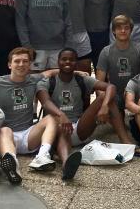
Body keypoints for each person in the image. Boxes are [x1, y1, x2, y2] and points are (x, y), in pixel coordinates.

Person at [37, 48, 132, 180]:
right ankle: (66, 164)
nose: (67, 62)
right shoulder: (48, 82)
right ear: (58, 62)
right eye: (64, 59)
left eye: (71, 59)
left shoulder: (82, 80)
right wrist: (61, 115)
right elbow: (45, 102)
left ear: (76, 63)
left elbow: (111, 87)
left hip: (78, 128)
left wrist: (104, 107)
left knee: (106, 98)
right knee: (61, 127)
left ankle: (126, 142)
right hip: (56, 129)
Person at [0, 48, 58, 184]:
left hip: (28, 135)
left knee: (51, 118)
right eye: (17, 61)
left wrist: (79, 73)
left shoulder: (33, 80)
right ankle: (13, 167)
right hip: (6, 136)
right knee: (4, 129)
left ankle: (42, 157)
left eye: (25, 61)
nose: (21, 64)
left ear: (30, 65)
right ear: (9, 65)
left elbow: (51, 72)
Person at [96, 15, 140, 113]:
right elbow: (99, 83)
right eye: (119, 28)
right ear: (113, 31)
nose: (123, 31)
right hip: (114, 96)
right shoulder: (106, 52)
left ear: (131, 30)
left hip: (135, 95)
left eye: (126, 28)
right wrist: (104, 101)